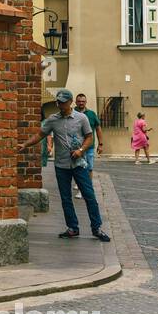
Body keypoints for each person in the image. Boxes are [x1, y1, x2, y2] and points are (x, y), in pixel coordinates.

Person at [17, 89, 111, 242]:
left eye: (62, 102)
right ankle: (72, 228)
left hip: (79, 164)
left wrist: (81, 150)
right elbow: (40, 135)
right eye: (58, 102)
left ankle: (97, 228)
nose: (59, 104)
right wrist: (25, 144)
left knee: (89, 196)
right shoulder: (53, 119)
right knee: (66, 198)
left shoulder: (82, 118)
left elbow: (89, 138)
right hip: (61, 165)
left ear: (70, 102)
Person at [73, 94, 102, 199]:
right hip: (76, 147)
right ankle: (80, 187)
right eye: (79, 101)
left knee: (89, 168)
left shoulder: (91, 114)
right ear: (76, 102)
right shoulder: (72, 113)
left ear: (86, 102)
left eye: (83, 101)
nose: (81, 103)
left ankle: (86, 189)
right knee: (78, 168)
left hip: (89, 147)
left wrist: (101, 144)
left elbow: (98, 129)